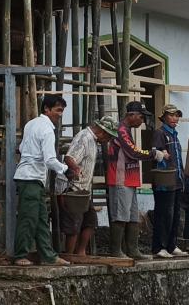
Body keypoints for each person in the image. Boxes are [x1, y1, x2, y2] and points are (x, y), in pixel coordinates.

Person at [13, 93, 74, 267]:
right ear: (47, 109)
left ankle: (48, 256)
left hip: (29, 176)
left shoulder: (31, 124)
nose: (60, 114)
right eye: (58, 110)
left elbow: (22, 147)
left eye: (62, 111)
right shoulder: (47, 130)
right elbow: (49, 159)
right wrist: (65, 170)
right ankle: (20, 255)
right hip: (32, 177)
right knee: (28, 219)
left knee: (40, 219)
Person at [107, 101, 169, 260]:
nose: (142, 121)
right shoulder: (120, 131)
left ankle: (133, 250)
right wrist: (153, 154)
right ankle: (116, 250)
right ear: (131, 115)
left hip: (130, 179)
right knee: (120, 215)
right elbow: (133, 152)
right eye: (141, 117)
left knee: (133, 216)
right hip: (120, 178)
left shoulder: (127, 130)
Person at [55, 116, 118, 257]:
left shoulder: (93, 141)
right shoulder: (84, 137)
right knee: (73, 225)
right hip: (72, 189)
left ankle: (80, 252)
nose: (108, 141)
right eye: (108, 137)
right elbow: (69, 158)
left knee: (90, 221)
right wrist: (76, 168)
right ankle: (70, 256)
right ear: (103, 132)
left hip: (83, 190)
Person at [150, 104, 189, 259]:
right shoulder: (160, 133)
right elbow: (155, 153)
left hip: (177, 180)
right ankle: (159, 246)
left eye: (177, 115)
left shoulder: (174, 135)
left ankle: (172, 245)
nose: (175, 118)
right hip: (164, 181)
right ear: (164, 117)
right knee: (163, 214)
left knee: (175, 215)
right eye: (171, 115)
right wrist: (162, 154)